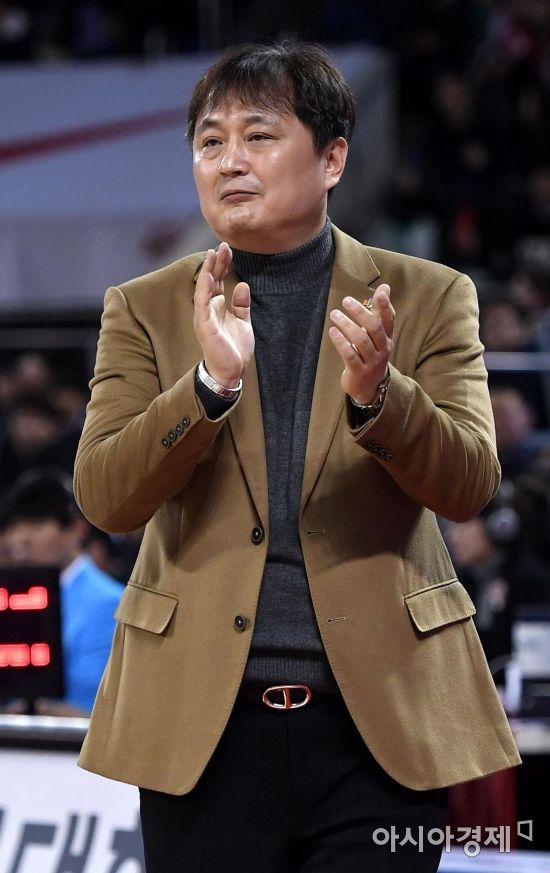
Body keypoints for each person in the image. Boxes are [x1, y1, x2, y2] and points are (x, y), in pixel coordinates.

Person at [73, 41, 520, 873]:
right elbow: (104, 497)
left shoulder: (427, 296)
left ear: (333, 158)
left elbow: (469, 485)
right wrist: (206, 386)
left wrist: (382, 397)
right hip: (200, 729)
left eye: (258, 135)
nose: (229, 161)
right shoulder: (143, 307)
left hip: (382, 726)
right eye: (210, 141)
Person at [0, 469, 123, 715]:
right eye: (14, 526)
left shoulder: (110, 603)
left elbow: (96, 711)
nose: (20, 538)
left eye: (36, 524)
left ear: (77, 529)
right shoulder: (9, 598)